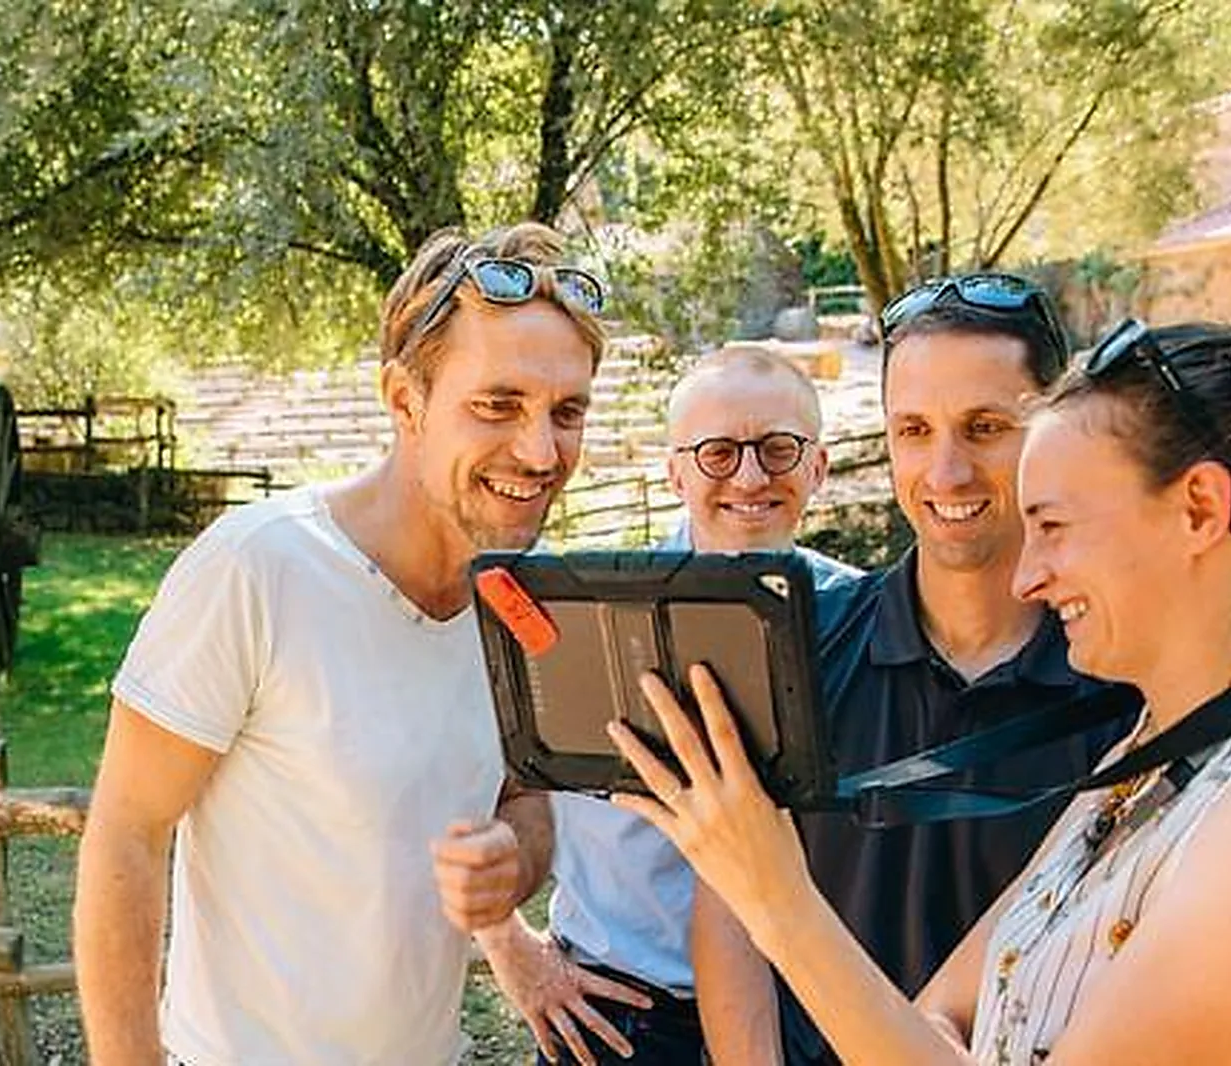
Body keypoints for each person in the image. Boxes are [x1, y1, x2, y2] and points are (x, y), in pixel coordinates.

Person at [611, 318, 1231, 1064]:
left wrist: (776, 899)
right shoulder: (1146, 756)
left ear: (1200, 508)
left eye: (1055, 525)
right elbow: (941, 1014)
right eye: (912, 429)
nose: (1028, 575)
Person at [72, 222, 608, 1066]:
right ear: (404, 401)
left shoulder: (523, 601)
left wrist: (516, 858)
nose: (540, 451)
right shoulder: (256, 568)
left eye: (566, 412)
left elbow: (524, 798)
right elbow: (127, 833)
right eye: (498, 405)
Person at [457, 350, 860, 1066]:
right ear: (676, 474)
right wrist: (514, 954)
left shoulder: (867, 620)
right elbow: (467, 782)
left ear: (818, 468)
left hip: (810, 1013)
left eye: (777, 449)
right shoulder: (578, 613)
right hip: (624, 1015)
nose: (749, 477)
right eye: (716, 454)